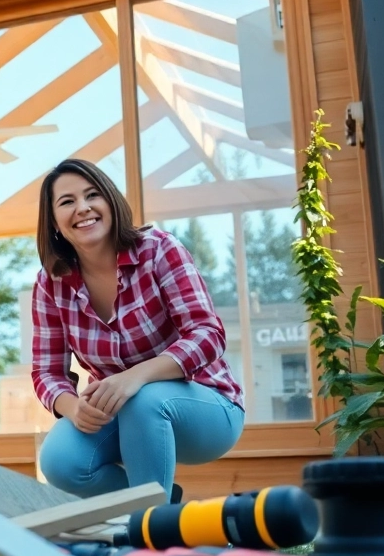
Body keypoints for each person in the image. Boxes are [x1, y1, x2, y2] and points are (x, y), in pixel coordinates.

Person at [30, 158, 245, 501]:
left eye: (92, 195)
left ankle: (148, 529)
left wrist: (137, 376)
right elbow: (46, 371)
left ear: (111, 202)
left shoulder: (159, 250)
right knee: (61, 461)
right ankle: (163, 508)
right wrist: (73, 408)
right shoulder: (50, 284)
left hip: (208, 406)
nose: (83, 208)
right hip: (121, 412)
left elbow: (207, 334)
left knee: (143, 398)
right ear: (54, 222)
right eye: (67, 202)